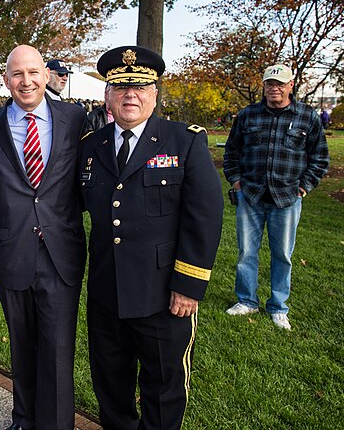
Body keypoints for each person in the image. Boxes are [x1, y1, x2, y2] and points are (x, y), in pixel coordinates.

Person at [79, 46, 223, 430]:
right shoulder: (91, 147)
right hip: (107, 291)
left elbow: (204, 217)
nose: (131, 94)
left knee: (163, 386)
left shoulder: (184, 142)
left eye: (141, 86)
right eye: (121, 86)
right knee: (110, 382)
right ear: (107, 95)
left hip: (164, 296)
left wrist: (189, 285)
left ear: (155, 93)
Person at [0, 46, 87, 430]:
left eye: (32, 72)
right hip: (11, 249)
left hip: (60, 250)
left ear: (46, 75)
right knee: (21, 344)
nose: (25, 81)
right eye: (16, 74)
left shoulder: (75, 118)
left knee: (58, 348)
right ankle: (23, 419)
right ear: (6, 79)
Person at [223, 64, 329, 331]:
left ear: (291, 85)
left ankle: (278, 307)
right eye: (270, 83)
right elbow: (232, 151)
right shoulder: (248, 115)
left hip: (287, 197)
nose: (275, 88)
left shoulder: (307, 117)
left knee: (282, 254)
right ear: (264, 85)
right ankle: (247, 300)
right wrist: (236, 181)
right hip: (251, 194)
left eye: (280, 84)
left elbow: (320, 158)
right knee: (247, 251)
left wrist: (304, 187)